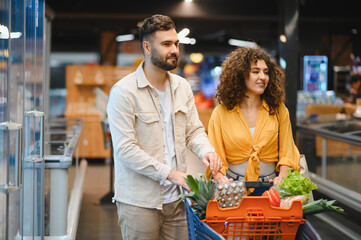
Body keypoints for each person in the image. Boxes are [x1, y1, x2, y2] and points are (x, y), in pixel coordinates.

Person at [106, 14, 222, 240]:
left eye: (176, 44)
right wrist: (170, 174)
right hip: (139, 203)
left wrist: (206, 150)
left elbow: (193, 131)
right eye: (166, 44)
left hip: (178, 200)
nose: (175, 50)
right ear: (147, 47)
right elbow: (125, 149)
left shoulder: (182, 87)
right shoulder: (124, 92)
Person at [206, 47, 300, 195]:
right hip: (233, 187)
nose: (263, 77)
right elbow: (215, 155)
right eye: (255, 71)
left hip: (272, 187)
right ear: (240, 75)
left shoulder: (278, 110)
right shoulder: (221, 113)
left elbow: (287, 151)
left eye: (266, 72)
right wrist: (220, 178)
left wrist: (282, 177)